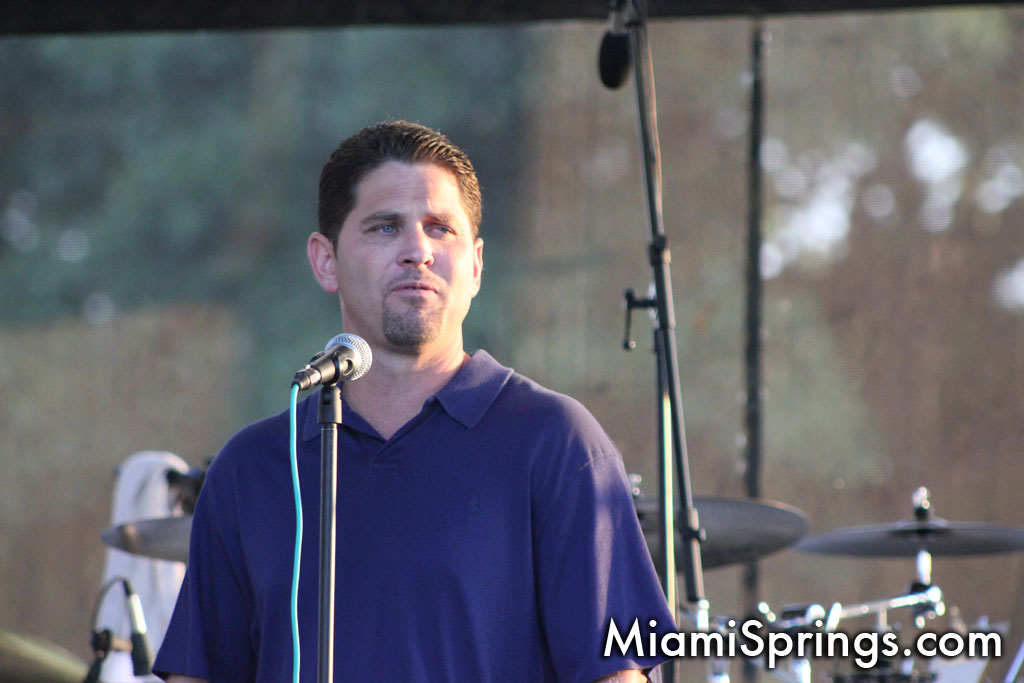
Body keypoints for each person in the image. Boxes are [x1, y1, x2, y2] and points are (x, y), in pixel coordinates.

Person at [154, 120, 676, 682]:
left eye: (440, 228)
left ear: (475, 265)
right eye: (385, 227)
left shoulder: (555, 442)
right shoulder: (253, 468)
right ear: (324, 260)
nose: (418, 251)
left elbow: (615, 675)